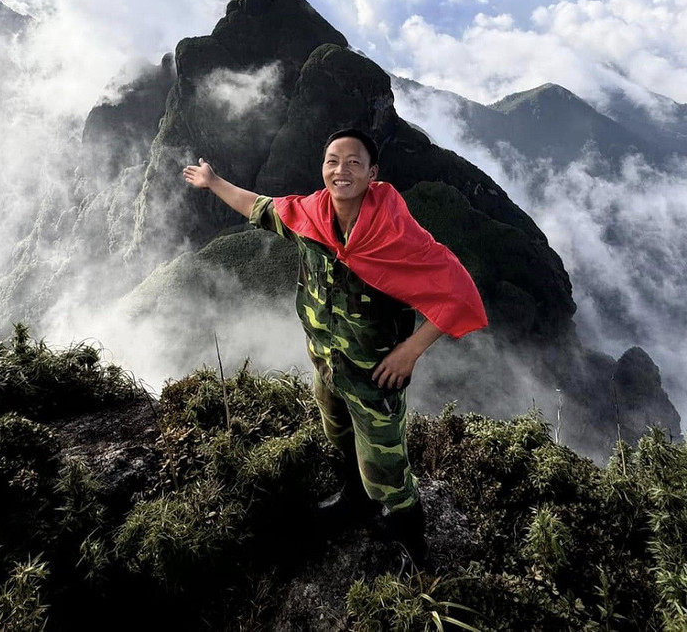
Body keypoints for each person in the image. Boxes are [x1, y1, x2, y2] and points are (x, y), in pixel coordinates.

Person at [181, 128, 488, 561]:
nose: (340, 170)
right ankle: (355, 499)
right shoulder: (310, 216)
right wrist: (213, 182)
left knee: (386, 467)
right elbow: (258, 207)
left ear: (372, 173)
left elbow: (458, 292)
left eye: (353, 162)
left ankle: (411, 546)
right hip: (327, 362)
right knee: (338, 434)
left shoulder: (397, 235)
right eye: (332, 160)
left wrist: (410, 350)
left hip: (373, 374)